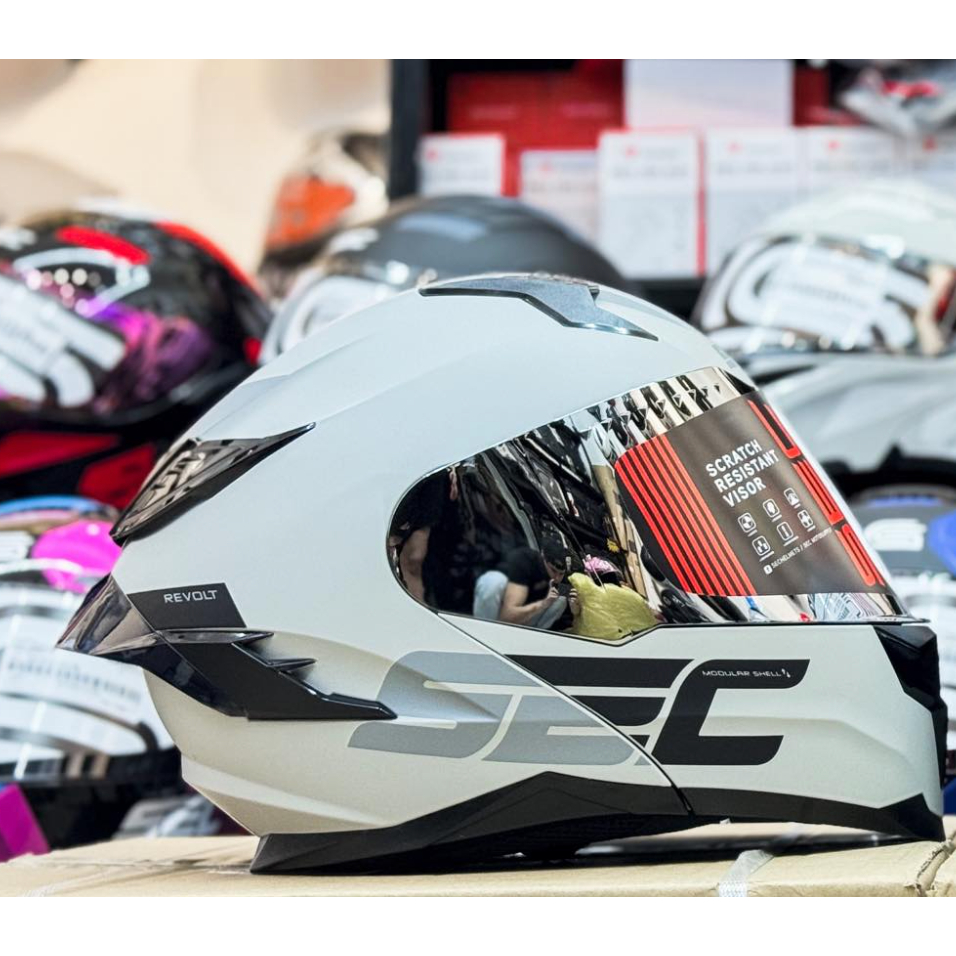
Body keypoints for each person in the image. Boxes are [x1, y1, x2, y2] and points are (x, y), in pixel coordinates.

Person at [473, 537, 574, 630]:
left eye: (561, 574)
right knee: (494, 581)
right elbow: (506, 617)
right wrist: (543, 604)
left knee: (561, 600)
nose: (556, 578)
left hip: (526, 624)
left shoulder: (562, 581)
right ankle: (482, 629)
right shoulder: (525, 561)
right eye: (553, 570)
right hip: (498, 616)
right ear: (542, 557)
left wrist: (575, 606)